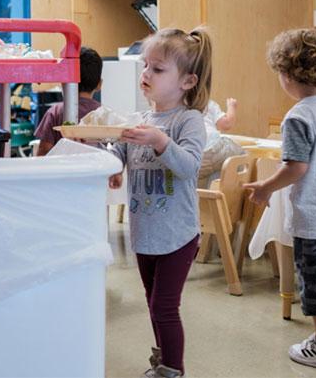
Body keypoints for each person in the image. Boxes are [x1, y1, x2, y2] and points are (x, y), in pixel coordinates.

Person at [243, 29, 316, 371]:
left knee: (315, 282)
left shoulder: (299, 116)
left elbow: (296, 167)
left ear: (288, 74)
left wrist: (265, 187)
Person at [108, 27, 211, 378]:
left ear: (187, 81)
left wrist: (161, 142)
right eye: (145, 66)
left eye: (157, 69)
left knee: (165, 307)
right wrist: (112, 165)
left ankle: (172, 368)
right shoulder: (140, 121)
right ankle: (163, 356)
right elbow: (117, 155)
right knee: (154, 306)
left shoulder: (188, 120)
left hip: (178, 235)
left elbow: (190, 168)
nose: (146, 74)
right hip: (144, 232)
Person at [34, 46, 103, 156]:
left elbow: (43, 153)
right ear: (99, 84)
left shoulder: (55, 112)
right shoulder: (103, 113)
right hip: (95, 171)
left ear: (64, 80)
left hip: (63, 171)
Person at [198, 98, 244, 186]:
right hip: (212, 148)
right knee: (240, 155)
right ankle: (217, 191)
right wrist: (231, 106)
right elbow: (227, 124)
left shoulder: (174, 103)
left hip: (191, 157)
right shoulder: (206, 103)